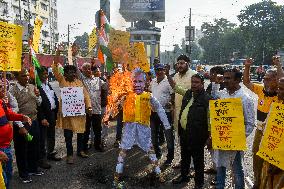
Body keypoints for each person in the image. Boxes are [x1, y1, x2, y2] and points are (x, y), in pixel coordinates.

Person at [103, 68, 171, 186]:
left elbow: (159, 109)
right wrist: (107, 117)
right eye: (134, 81)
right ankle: (117, 175)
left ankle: (158, 173)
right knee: (123, 151)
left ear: (145, 83)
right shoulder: (126, 96)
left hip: (144, 130)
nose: (137, 84)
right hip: (129, 129)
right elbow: (115, 106)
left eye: (140, 82)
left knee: (150, 151)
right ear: (130, 82)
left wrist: (166, 124)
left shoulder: (149, 96)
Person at [211, 68, 256, 189]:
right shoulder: (222, 94)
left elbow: (250, 123)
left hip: (235, 143)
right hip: (221, 140)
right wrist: (216, 82)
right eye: (224, 78)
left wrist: (236, 138)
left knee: (237, 170)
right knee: (220, 167)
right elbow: (213, 100)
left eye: (228, 78)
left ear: (237, 80)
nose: (225, 81)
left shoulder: (245, 98)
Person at [166, 69, 211, 188]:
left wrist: (210, 137)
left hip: (197, 135)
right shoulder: (188, 93)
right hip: (185, 133)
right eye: (192, 82)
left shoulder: (207, 99)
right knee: (185, 157)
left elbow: (210, 120)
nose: (194, 84)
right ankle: (184, 176)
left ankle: (199, 183)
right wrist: (167, 75)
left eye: (196, 82)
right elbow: (176, 87)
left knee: (198, 160)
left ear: (202, 84)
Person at [243, 58, 282, 189]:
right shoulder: (260, 90)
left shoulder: (280, 95)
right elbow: (246, 82)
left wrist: (278, 65)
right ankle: (257, 183)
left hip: (272, 134)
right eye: (264, 78)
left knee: (269, 162)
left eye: (268, 79)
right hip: (259, 131)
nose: (265, 81)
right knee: (256, 157)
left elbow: (283, 81)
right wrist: (247, 67)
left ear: (276, 80)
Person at [53, 49, 92, 164]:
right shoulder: (62, 80)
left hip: (79, 114)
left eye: (73, 72)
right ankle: (69, 155)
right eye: (69, 72)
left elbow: (86, 96)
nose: (72, 74)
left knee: (81, 133)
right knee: (68, 136)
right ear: (65, 74)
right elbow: (55, 68)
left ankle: (80, 151)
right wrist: (57, 53)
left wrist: (89, 107)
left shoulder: (79, 82)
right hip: (67, 115)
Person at [10, 69, 43, 183]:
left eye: (28, 75)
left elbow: (38, 103)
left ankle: (33, 168)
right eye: (24, 76)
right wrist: (20, 126)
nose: (27, 77)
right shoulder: (12, 90)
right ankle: (23, 173)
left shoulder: (32, 86)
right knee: (21, 149)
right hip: (21, 123)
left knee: (34, 146)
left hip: (34, 121)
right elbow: (13, 111)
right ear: (17, 77)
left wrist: (38, 96)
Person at [0, 79, 32, 189]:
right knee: (2, 179)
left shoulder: (1, 102)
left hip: (7, 147)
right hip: (1, 150)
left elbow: (9, 114)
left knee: (8, 175)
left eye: (3, 87)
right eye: (0, 87)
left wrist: (22, 117)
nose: (4, 90)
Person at [74, 62, 106, 153]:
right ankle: (84, 147)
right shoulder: (81, 79)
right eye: (86, 69)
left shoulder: (98, 80)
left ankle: (97, 145)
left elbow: (106, 86)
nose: (88, 70)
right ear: (82, 70)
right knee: (86, 130)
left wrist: (102, 76)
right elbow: (76, 70)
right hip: (86, 110)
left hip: (96, 109)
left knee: (97, 129)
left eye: (89, 68)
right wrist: (73, 57)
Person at [259, 76, 284, 189]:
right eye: (278, 88)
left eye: (282, 89)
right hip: (269, 156)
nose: (278, 91)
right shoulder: (277, 105)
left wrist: (278, 163)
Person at [150, 63, 175, 165]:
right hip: (153, 113)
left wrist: (171, 103)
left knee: (168, 136)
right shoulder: (153, 81)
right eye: (157, 70)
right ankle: (157, 153)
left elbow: (173, 95)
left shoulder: (168, 81)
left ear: (164, 70)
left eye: (161, 70)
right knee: (153, 136)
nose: (159, 72)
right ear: (155, 71)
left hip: (166, 113)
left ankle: (170, 158)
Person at [37, 66, 61, 169]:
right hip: (43, 116)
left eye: (46, 73)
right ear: (38, 75)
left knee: (51, 135)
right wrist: (42, 118)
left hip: (52, 114)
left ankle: (50, 153)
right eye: (43, 74)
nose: (45, 76)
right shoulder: (36, 87)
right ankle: (41, 159)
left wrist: (57, 111)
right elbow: (37, 105)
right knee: (42, 138)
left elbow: (54, 98)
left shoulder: (48, 85)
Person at [173, 55, 197, 132]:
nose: (179, 65)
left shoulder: (194, 75)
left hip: (190, 111)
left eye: (182, 63)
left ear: (188, 64)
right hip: (177, 110)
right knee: (179, 135)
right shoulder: (176, 76)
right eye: (178, 63)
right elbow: (174, 92)